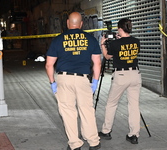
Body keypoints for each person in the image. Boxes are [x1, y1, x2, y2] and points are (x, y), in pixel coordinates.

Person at [45, 12, 101, 150]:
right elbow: (97, 63)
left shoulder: (58, 40)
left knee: (68, 111)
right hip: (83, 79)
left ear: (68, 24)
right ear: (81, 24)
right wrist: (95, 82)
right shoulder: (91, 39)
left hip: (64, 79)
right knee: (87, 110)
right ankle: (93, 142)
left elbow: (49, 64)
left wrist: (52, 82)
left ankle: (75, 144)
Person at [99, 18, 141, 144]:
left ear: (120, 29)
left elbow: (107, 56)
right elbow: (127, 49)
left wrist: (103, 44)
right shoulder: (136, 41)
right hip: (135, 74)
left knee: (111, 104)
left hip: (121, 75)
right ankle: (134, 135)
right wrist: (120, 41)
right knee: (134, 106)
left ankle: (106, 131)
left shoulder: (115, 44)